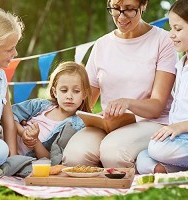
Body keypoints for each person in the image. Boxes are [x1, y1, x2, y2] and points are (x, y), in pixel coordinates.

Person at [62, 0, 177, 169]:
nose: (121, 16)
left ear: (143, 5)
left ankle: (146, 165)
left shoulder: (163, 41)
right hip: (109, 124)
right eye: (115, 8)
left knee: (113, 154)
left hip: (151, 122)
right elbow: (86, 101)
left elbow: (157, 106)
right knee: (74, 156)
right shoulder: (102, 45)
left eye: (129, 9)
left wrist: (127, 103)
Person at [136, 0, 188, 174]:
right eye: (171, 28)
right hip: (181, 139)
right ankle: (176, 169)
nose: (171, 34)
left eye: (178, 29)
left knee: (157, 148)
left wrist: (179, 127)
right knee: (143, 158)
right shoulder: (181, 64)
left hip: (183, 133)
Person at [12, 61, 92, 161]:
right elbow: (9, 114)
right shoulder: (39, 106)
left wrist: (35, 141)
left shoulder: (76, 127)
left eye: (76, 91)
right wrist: (23, 132)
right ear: (55, 92)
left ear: (84, 94)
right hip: (5, 145)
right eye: (64, 90)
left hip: (26, 162)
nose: (69, 96)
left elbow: (52, 161)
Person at [0, 7, 24, 168]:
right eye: (9, 49)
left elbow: (8, 121)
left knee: (1, 150)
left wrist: (14, 158)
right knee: (0, 149)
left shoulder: (1, 77)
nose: (15, 53)